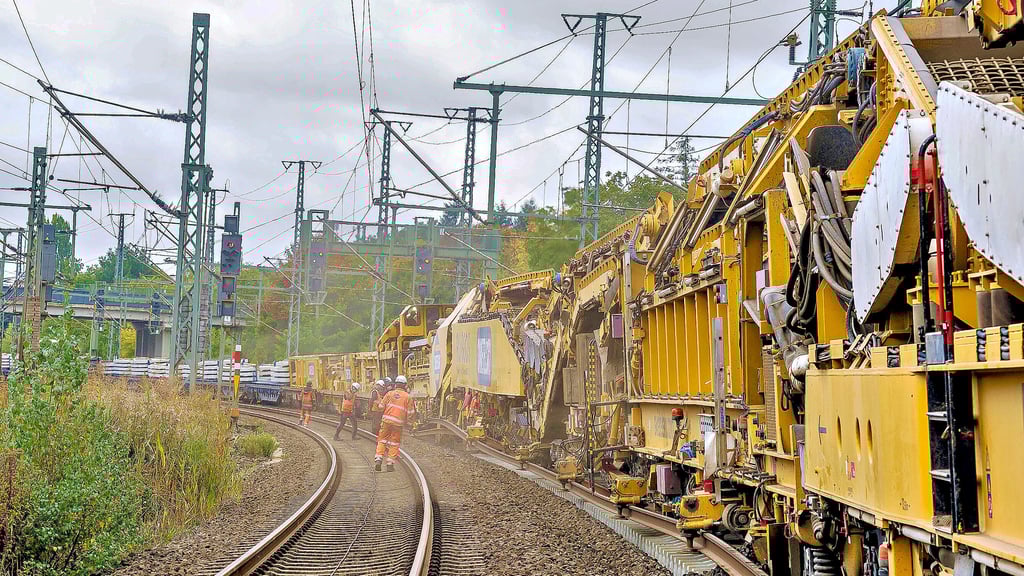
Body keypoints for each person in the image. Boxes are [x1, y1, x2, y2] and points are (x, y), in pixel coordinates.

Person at [374, 375, 415, 472]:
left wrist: (377, 403)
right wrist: (409, 422)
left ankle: (379, 459)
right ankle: (390, 464)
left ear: (396, 384)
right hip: (398, 424)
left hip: (386, 421)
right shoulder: (408, 397)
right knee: (394, 443)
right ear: (405, 385)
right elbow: (410, 413)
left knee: (382, 440)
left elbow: (380, 407)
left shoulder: (389, 394)